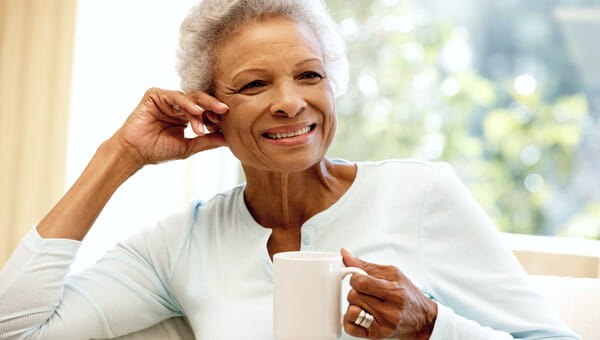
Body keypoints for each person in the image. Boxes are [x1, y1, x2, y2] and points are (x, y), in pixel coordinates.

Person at [0, 0, 581, 339]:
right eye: (255, 84)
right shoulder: (181, 243)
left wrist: (432, 328)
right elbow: (17, 329)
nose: (290, 102)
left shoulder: (422, 193)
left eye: (309, 75)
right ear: (209, 109)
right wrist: (118, 156)